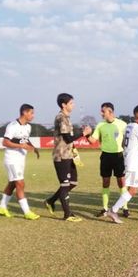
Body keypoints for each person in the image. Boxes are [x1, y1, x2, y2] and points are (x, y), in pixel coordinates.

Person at [43, 93, 91, 222]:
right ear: (64, 105)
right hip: (61, 156)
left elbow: (69, 140)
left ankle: (51, 201)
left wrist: (74, 152)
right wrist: (83, 133)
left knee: (73, 182)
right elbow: (68, 138)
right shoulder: (61, 118)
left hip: (68, 155)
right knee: (65, 185)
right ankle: (67, 214)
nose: (73, 105)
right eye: (71, 103)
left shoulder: (67, 117)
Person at [0, 104, 41, 220]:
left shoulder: (28, 127)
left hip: (21, 159)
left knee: (12, 183)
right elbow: (5, 142)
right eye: (31, 113)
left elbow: (26, 140)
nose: (33, 115)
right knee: (20, 183)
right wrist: (21, 145)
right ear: (24, 112)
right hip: (12, 159)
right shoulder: (12, 126)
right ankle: (27, 212)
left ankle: (2, 207)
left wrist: (33, 148)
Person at [86, 102, 129, 217]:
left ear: (110, 111)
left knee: (121, 182)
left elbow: (128, 140)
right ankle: (105, 208)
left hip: (119, 156)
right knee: (105, 182)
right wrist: (86, 135)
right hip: (105, 156)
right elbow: (92, 141)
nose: (101, 113)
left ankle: (125, 207)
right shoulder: (100, 125)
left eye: (103, 111)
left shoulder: (123, 124)